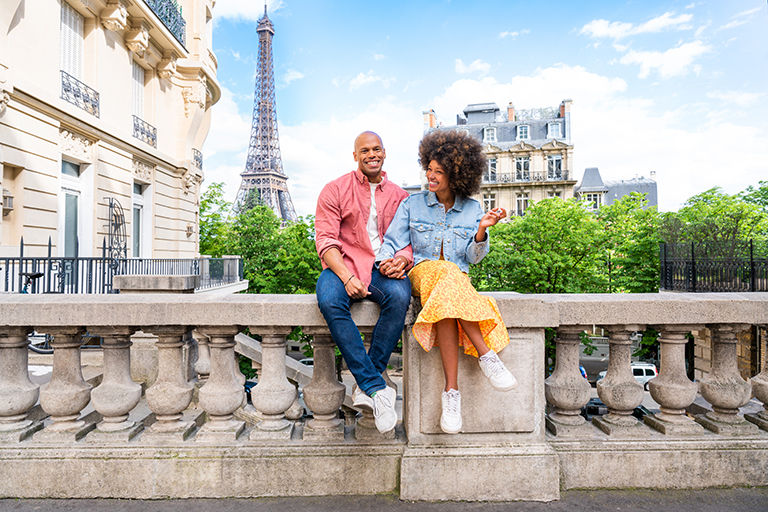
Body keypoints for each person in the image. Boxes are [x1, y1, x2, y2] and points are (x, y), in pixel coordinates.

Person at [377, 129, 517, 434]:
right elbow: (392, 241)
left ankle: (451, 393)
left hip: (454, 283)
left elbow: (474, 257)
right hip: (422, 273)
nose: (431, 176)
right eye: (429, 168)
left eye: (439, 171)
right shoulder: (412, 204)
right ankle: (487, 356)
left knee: (449, 290)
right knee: (446, 275)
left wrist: (481, 230)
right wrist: (384, 261)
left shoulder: (472, 209)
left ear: (457, 174)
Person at [315, 131, 413, 434]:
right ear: (355, 156)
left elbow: (409, 240)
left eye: (377, 149)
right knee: (329, 299)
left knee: (399, 297)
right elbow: (326, 241)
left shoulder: (400, 195)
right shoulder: (334, 189)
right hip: (343, 264)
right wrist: (346, 276)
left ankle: (365, 385)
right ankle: (376, 386)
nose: (372, 154)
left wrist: (403, 260)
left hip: (383, 267)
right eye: (365, 150)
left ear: (384, 153)